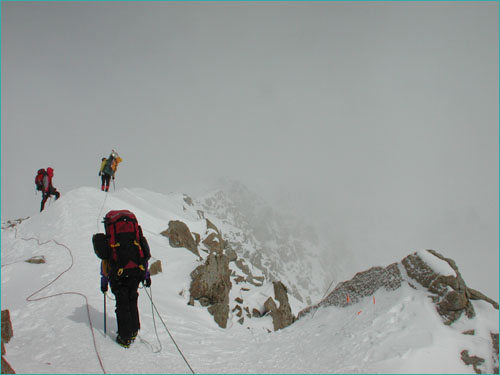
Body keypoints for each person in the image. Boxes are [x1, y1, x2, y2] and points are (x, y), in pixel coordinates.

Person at [98, 210, 151, 348]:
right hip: (136, 271)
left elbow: (105, 263)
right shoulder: (135, 238)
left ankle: (125, 337)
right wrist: (146, 275)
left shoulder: (111, 240)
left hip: (118, 274)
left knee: (122, 303)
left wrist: (104, 284)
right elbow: (144, 256)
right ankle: (134, 330)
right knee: (132, 298)